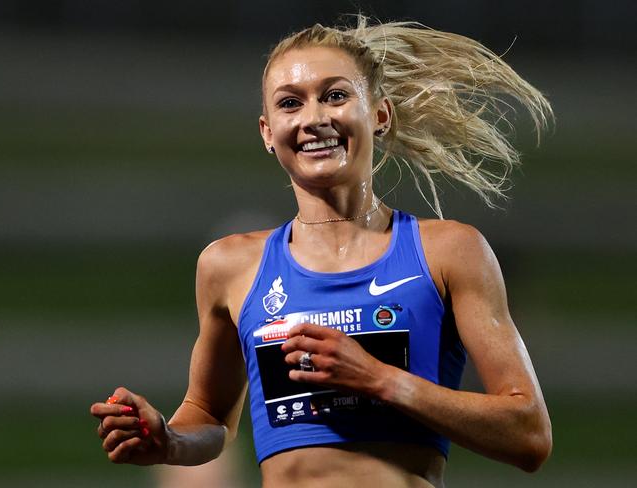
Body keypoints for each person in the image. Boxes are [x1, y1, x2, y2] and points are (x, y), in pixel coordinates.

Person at [91, 16, 553, 488]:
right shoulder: (229, 266)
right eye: (291, 103)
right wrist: (168, 441)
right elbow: (208, 415)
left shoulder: (448, 251)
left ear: (379, 114)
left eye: (335, 95)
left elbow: (528, 433)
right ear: (268, 133)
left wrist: (381, 380)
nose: (314, 118)